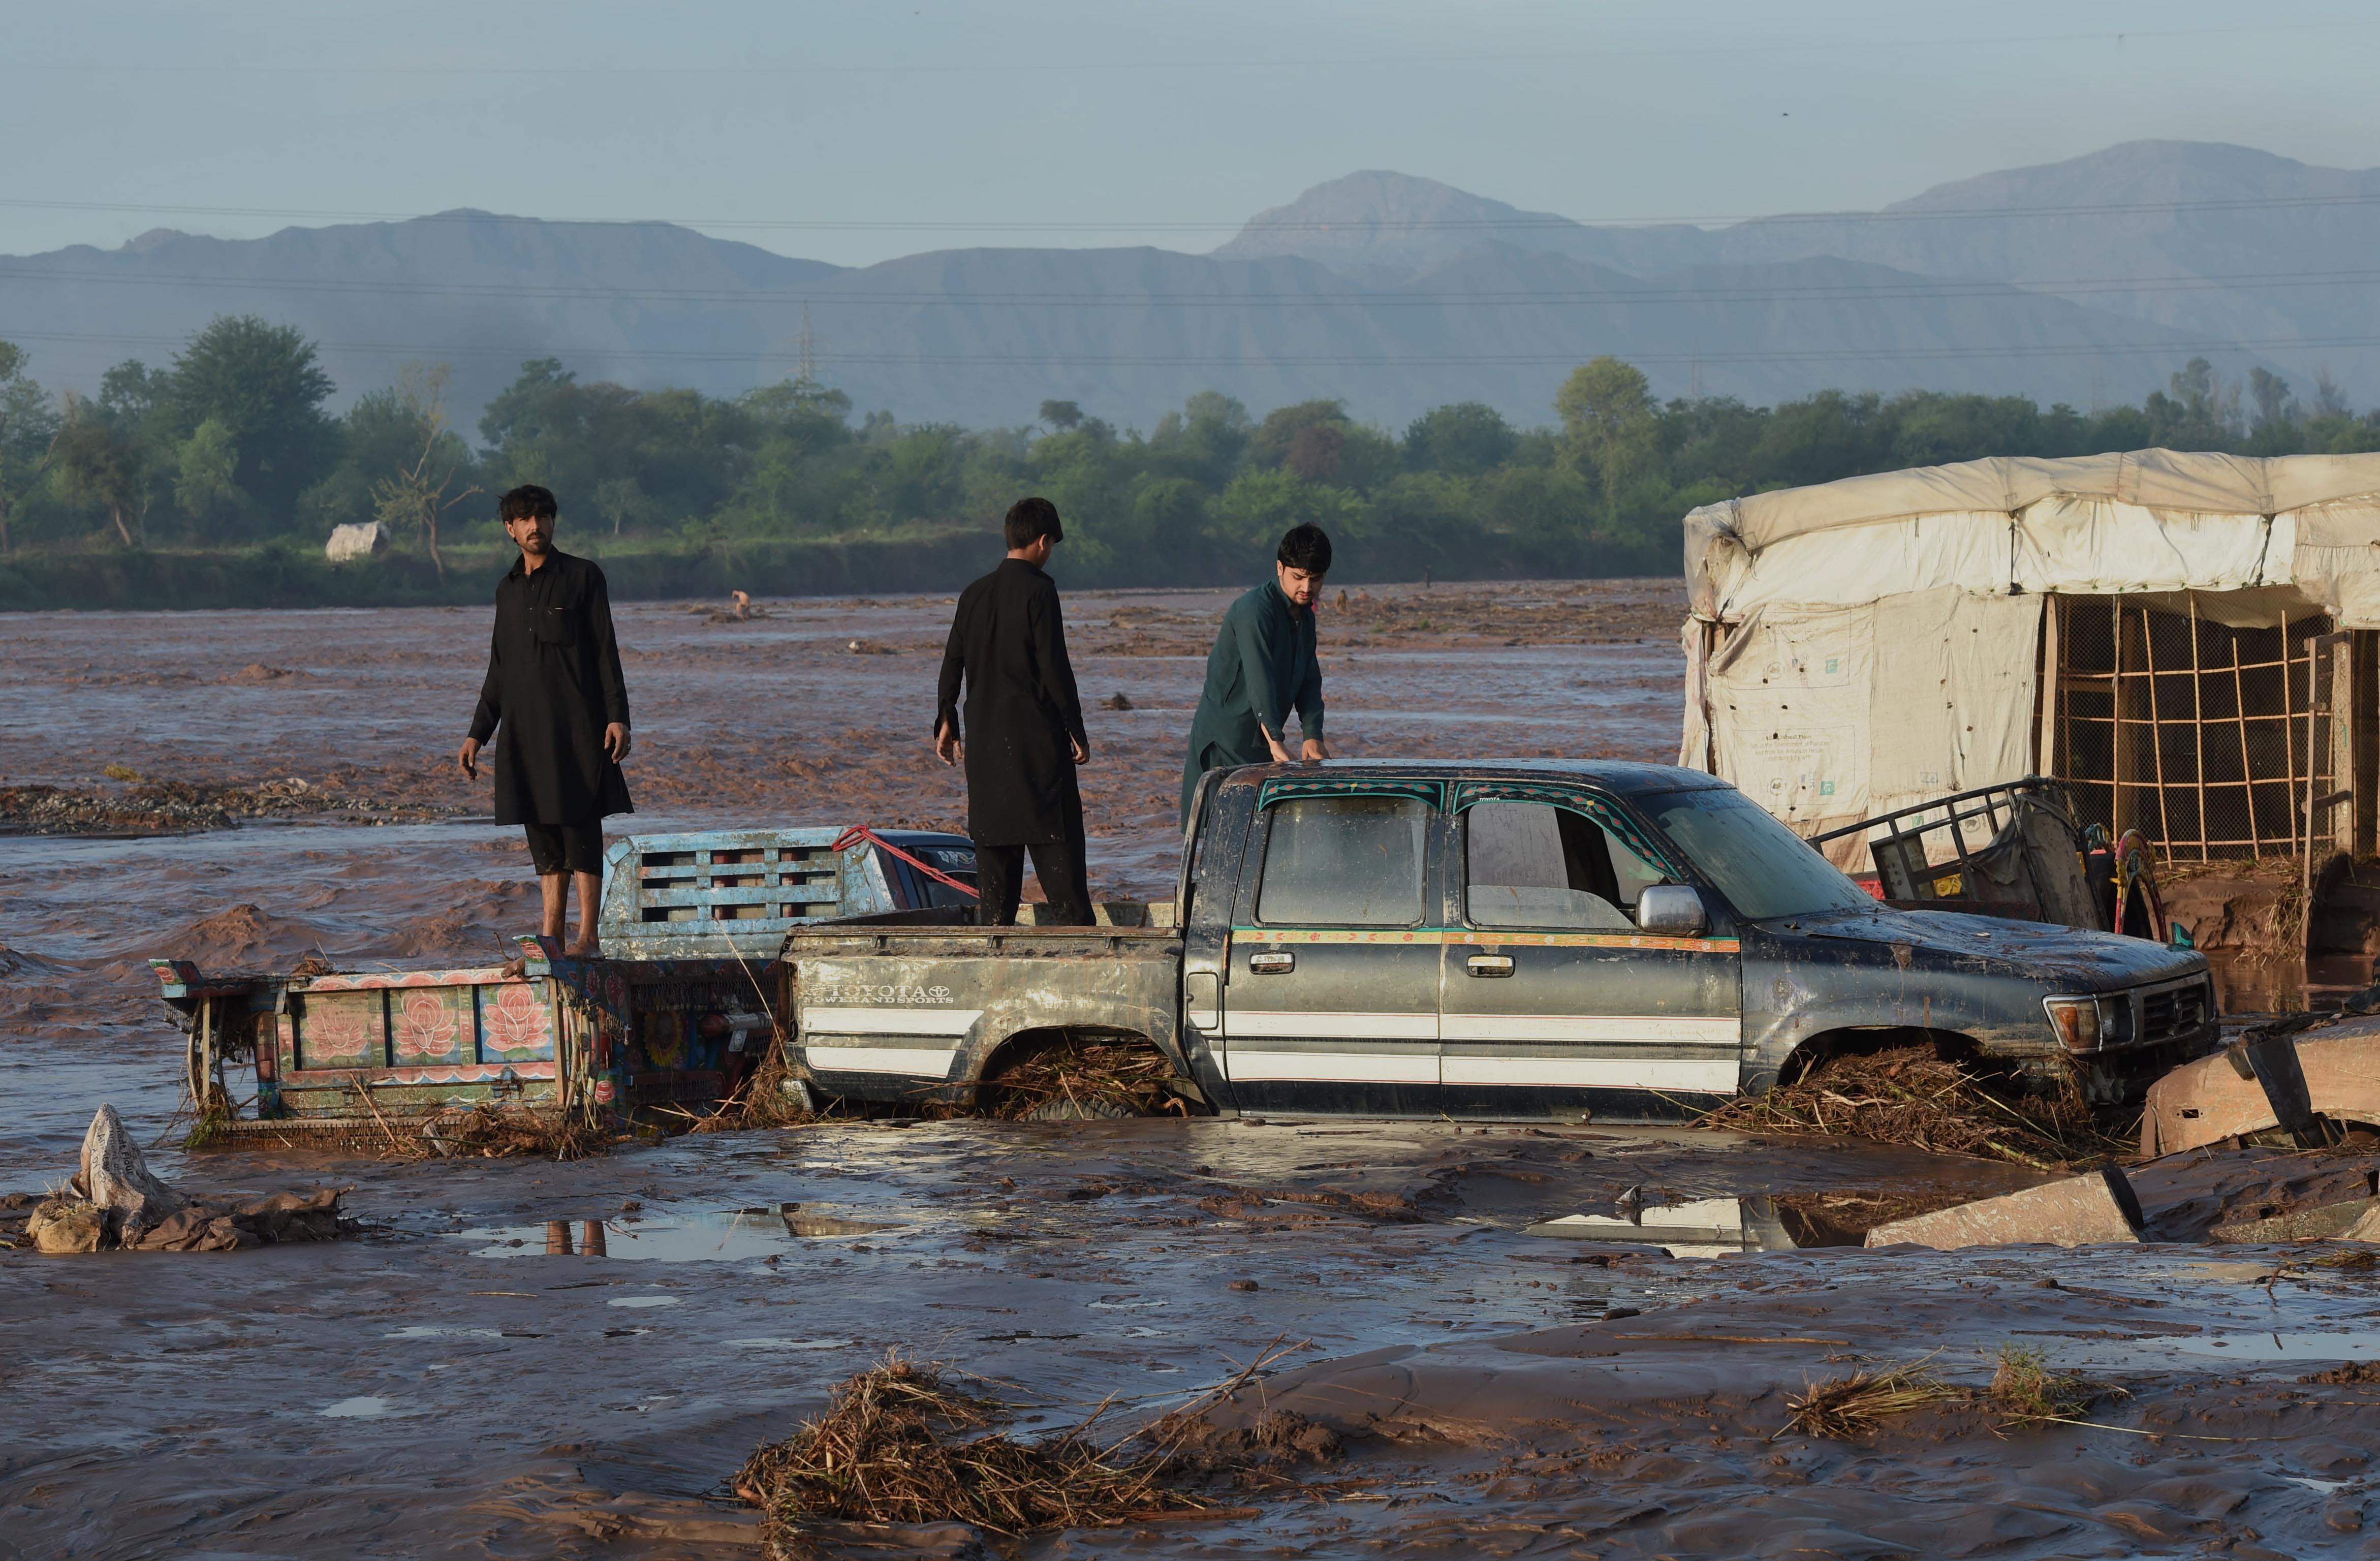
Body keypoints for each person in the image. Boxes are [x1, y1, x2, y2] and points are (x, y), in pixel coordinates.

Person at [457, 484, 633, 956]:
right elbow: (499, 667)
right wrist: (479, 732)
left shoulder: (583, 577)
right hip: (524, 732)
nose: (536, 526)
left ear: (554, 522)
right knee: (542, 833)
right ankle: (552, 937)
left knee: (580, 827)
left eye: (544, 517)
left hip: (577, 727)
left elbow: (604, 651)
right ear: (510, 529)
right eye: (526, 519)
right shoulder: (506, 590)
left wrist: (617, 717)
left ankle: (587, 938)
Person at [934, 496, 1093, 926]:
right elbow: (1054, 666)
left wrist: (946, 717)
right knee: (1068, 899)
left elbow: (953, 660)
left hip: (986, 758)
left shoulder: (973, 594)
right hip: (1037, 756)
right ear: (1043, 542)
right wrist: (1075, 727)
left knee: (995, 908)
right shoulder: (1040, 591)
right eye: (1052, 545)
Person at [1180, 522, 1331, 824]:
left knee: (1259, 827)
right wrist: (1276, 739)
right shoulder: (1254, 610)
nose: (1306, 588)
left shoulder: (1304, 616)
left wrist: (1313, 734)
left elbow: (1309, 678)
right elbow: (1260, 676)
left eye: (1315, 579)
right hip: (1226, 737)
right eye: (1299, 577)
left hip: (1262, 739)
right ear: (1280, 568)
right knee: (1223, 827)